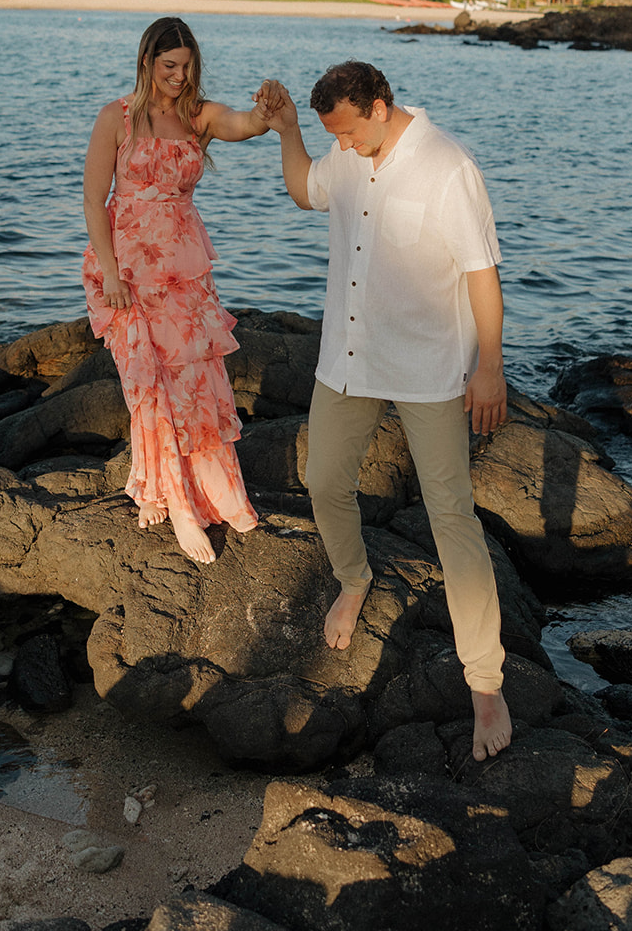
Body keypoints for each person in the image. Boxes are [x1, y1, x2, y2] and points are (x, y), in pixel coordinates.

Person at [258, 61, 513, 760]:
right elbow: (305, 189)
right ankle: (353, 579)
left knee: (450, 515)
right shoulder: (343, 153)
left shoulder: (446, 165)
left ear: (378, 107)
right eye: (328, 134)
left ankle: (485, 685)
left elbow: (481, 273)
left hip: (430, 369)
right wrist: (286, 132)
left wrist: (488, 366)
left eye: (345, 131)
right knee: (323, 480)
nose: (337, 146)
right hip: (348, 358)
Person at [82, 16, 265, 565]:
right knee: (149, 384)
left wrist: (267, 114)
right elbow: (94, 202)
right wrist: (111, 272)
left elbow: (242, 123)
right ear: (147, 63)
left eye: (186, 67)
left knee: (198, 383)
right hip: (130, 272)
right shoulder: (116, 118)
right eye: (169, 67)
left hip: (184, 271)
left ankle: (211, 494)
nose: (179, 76)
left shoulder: (197, 116)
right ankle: (180, 507)